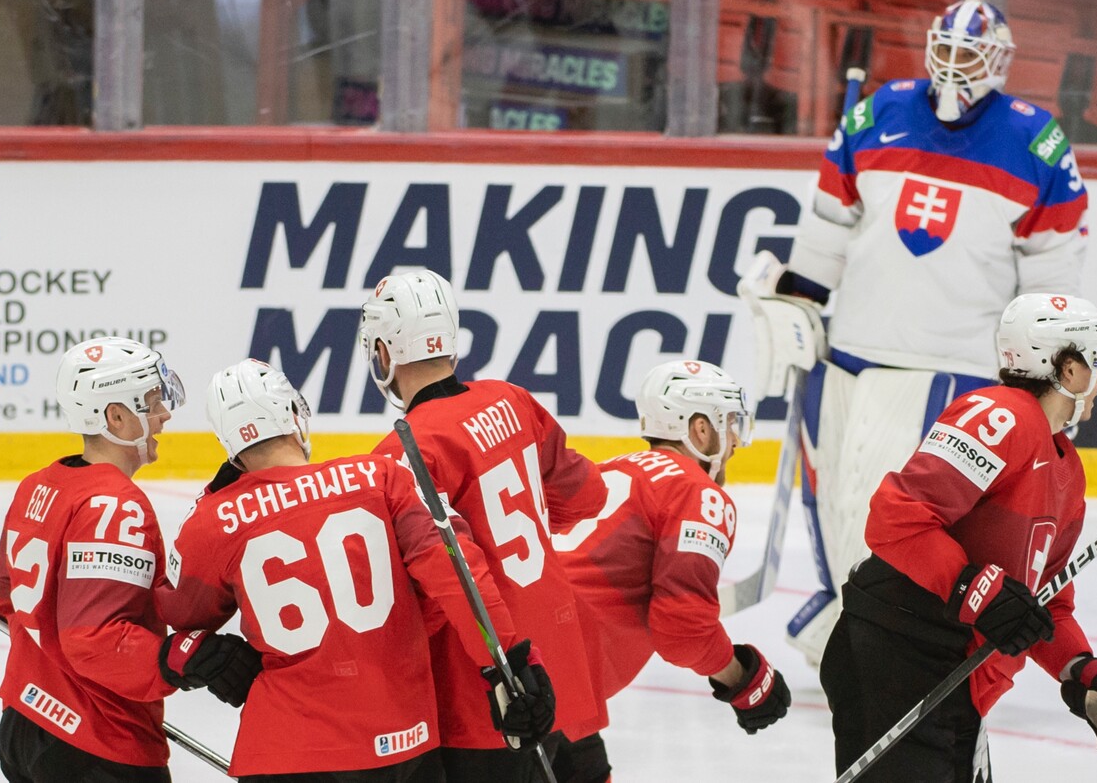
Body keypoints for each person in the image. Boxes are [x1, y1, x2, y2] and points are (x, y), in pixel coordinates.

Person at [742, 0, 1090, 666]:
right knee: (842, 499)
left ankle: (902, 636)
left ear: (1002, 60)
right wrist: (796, 298)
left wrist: (1044, 374)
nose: (956, 64)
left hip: (958, 367)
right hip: (850, 354)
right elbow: (829, 223)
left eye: (971, 52)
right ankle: (845, 614)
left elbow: (1054, 276)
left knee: (911, 513)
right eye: (948, 48)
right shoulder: (876, 113)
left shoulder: (1038, 140)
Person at [155, 358, 554, 780]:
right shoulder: (382, 476)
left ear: (230, 448)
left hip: (285, 753)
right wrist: (508, 659)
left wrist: (213, 496)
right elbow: (455, 570)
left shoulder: (215, 519)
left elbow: (181, 614)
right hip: (403, 744)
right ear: (294, 414)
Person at [821, 293, 1097, 781]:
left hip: (958, 678)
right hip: (898, 654)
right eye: (1095, 361)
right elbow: (897, 519)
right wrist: (971, 587)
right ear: (1065, 369)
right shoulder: (1000, 415)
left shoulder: (1067, 469)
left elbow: (1043, 603)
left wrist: (1083, 672)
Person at [362, 269, 608, 782]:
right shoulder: (512, 399)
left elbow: (445, 577)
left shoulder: (403, 452)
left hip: (492, 692)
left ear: (383, 352)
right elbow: (588, 495)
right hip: (563, 667)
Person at [551, 360, 792, 782]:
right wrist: (742, 677)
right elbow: (683, 629)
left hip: (533, 659)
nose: (736, 442)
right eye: (728, 424)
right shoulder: (698, 493)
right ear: (700, 429)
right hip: (555, 675)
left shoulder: (612, 468)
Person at [0, 337, 188, 781]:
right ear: (116, 417)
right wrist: (177, 660)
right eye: (153, 401)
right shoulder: (116, 505)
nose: (164, 414)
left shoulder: (37, 485)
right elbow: (97, 639)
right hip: (96, 738)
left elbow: (7, 597)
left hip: (24, 718)